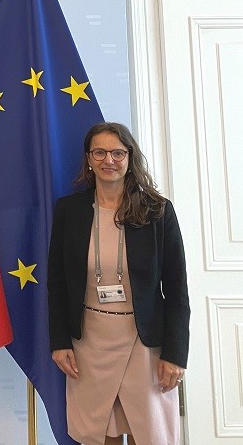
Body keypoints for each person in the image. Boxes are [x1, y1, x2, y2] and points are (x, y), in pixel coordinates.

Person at [48, 122, 190, 445]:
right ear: (88, 159)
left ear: (129, 157)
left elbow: (177, 291)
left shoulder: (157, 212)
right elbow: (57, 284)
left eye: (117, 153)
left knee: (147, 434)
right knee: (101, 435)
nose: (108, 160)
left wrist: (176, 353)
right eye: (99, 152)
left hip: (145, 346)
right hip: (90, 346)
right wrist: (59, 341)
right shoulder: (69, 211)